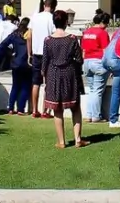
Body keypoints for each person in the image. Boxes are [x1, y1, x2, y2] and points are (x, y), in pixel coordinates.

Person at [41, 10, 88, 148]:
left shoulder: (48, 40)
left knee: (57, 109)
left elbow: (44, 62)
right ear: (66, 22)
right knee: (75, 107)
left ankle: (61, 142)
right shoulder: (72, 38)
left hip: (53, 74)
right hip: (70, 73)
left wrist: (45, 76)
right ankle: (78, 139)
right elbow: (79, 60)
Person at [0, 17, 32, 114]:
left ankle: (11, 108)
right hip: (26, 63)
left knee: (15, 86)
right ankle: (20, 109)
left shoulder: (14, 34)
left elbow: (2, 44)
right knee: (25, 86)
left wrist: (10, 53)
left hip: (16, 62)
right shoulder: (29, 35)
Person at [80, 11, 111, 123]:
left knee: (92, 90)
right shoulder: (102, 33)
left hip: (87, 62)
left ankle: (89, 115)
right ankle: (96, 116)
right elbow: (106, 51)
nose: (107, 25)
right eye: (107, 23)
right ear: (103, 22)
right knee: (97, 91)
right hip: (98, 62)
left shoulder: (86, 32)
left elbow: (83, 49)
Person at [29, 0, 57, 118]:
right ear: (53, 7)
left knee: (36, 83)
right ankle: (45, 111)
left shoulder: (35, 17)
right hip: (48, 54)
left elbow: (29, 36)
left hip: (36, 53)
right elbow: (54, 35)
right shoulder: (52, 18)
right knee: (48, 83)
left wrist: (29, 53)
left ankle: (34, 110)